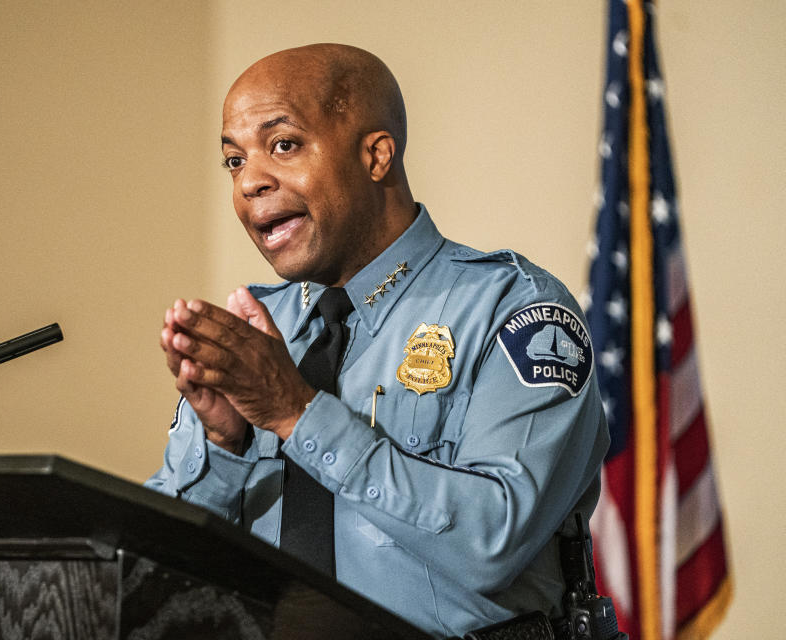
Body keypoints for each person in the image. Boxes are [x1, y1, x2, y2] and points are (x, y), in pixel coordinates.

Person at [149, 43, 609, 638]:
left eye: (282, 145)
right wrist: (222, 443)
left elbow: (494, 541)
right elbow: (157, 573)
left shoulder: (513, 310)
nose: (251, 183)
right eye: (233, 161)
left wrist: (298, 413)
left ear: (376, 155)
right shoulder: (254, 333)